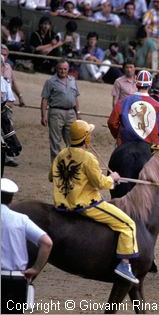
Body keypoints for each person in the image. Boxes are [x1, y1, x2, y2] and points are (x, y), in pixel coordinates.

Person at [50, 120, 139, 284]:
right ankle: (124, 264)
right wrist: (112, 178)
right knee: (128, 225)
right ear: (86, 139)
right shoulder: (88, 157)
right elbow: (100, 183)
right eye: (89, 134)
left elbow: (52, 177)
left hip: (62, 204)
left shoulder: (61, 154)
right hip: (86, 205)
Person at [107, 70, 159, 205]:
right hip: (147, 146)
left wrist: (119, 137)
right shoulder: (157, 104)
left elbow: (112, 122)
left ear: (136, 84)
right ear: (149, 86)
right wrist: (154, 140)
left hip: (125, 143)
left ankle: (112, 183)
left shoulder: (124, 101)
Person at [1, 178, 53, 314]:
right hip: (16, 281)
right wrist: (35, 268)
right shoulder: (21, 219)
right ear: (11, 200)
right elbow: (47, 243)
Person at [41, 60, 80, 163]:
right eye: (60, 69)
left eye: (65, 69)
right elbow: (45, 99)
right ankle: (56, 164)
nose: (63, 71)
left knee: (71, 139)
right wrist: (43, 115)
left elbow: (75, 98)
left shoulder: (72, 80)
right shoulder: (50, 81)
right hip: (56, 112)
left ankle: (71, 161)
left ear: (68, 69)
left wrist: (78, 113)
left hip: (71, 112)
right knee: (55, 140)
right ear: (56, 69)